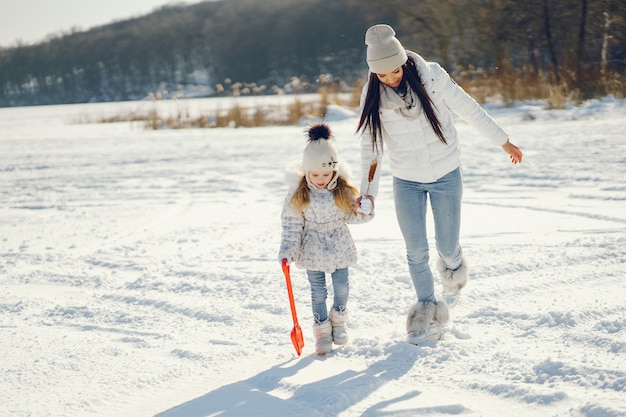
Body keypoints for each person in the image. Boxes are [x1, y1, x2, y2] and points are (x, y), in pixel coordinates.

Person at [356, 24, 523, 345]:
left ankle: (454, 267)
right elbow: (370, 148)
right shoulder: (372, 96)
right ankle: (426, 308)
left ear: (403, 60)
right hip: (406, 180)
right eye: (382, 75)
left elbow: (468, 108)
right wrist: (368, 194)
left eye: (394, 71)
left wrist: (503, 141)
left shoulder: (432, 77)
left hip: (446, 173)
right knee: (415, 250)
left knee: (447, 247)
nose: (390, 79)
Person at [278, 123, 374, 355]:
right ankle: (322, 331)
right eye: (315, 174)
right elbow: (292, 225)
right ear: (306, 172)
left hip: (339, 244)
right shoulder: (298, 194)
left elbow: (354, 218)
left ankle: (338, 320)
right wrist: (288, 250)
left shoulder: (344, 191)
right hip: (311, 248)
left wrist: (365, 211)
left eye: (326, 173)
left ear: (334, 170)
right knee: (317, 291)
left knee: (342, 287)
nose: (320, 179)